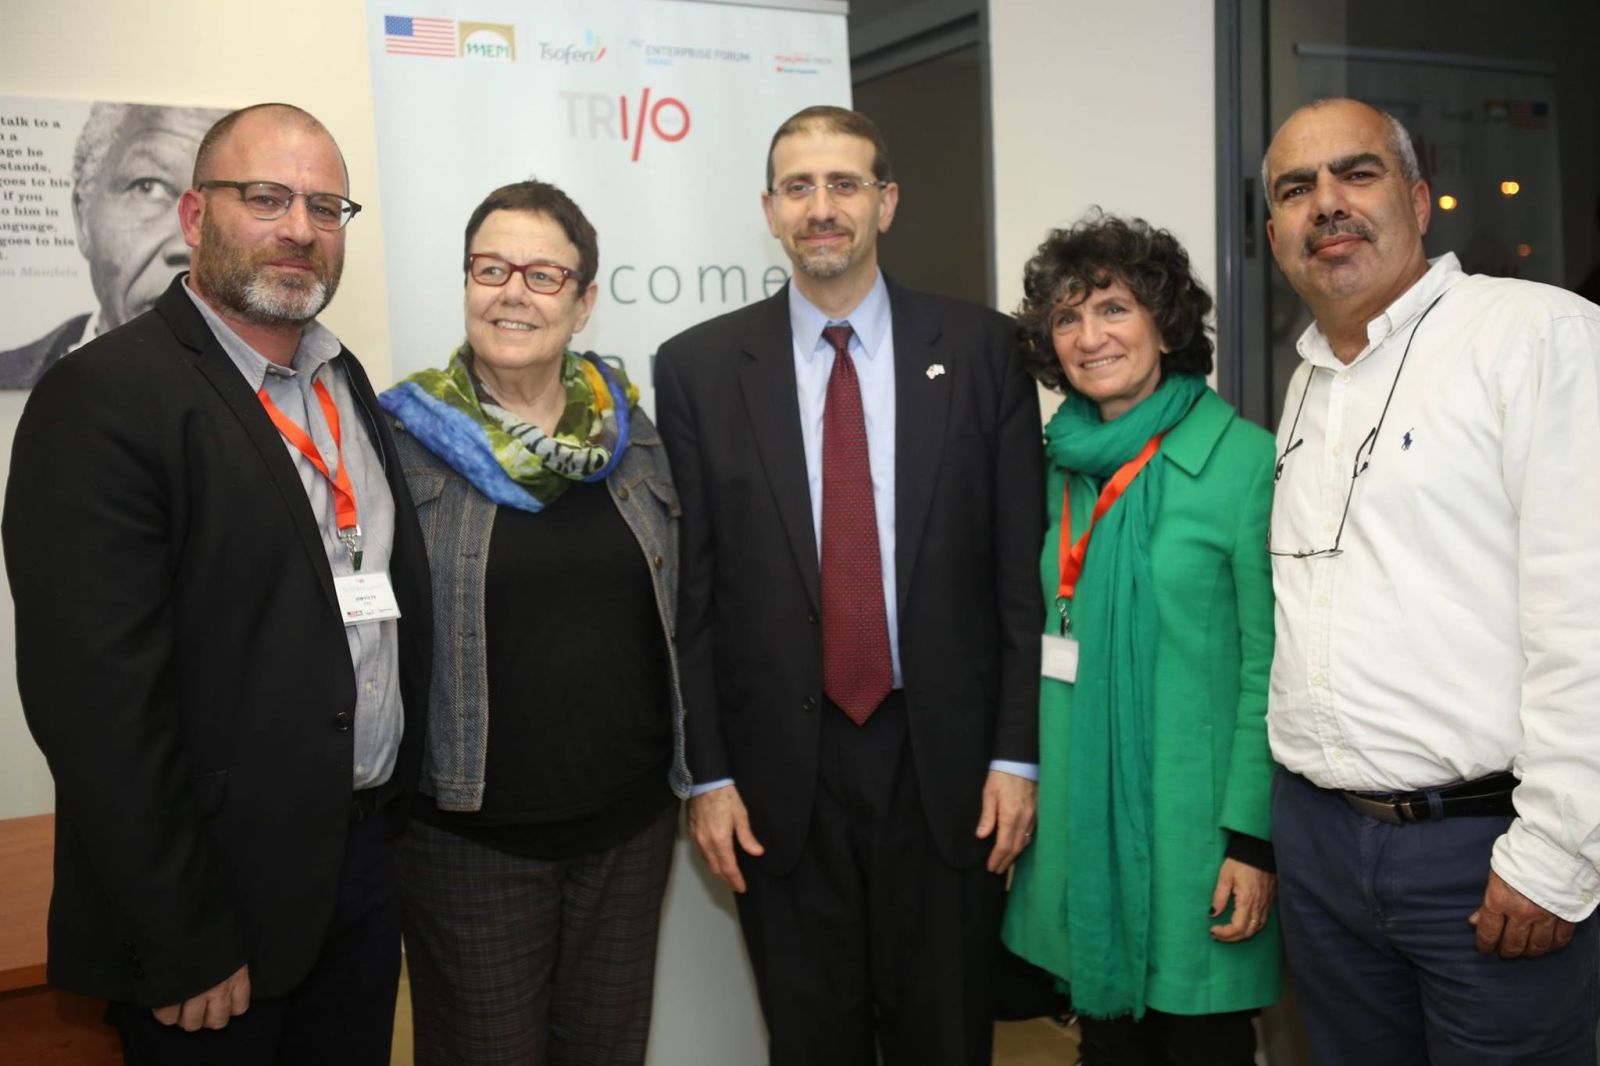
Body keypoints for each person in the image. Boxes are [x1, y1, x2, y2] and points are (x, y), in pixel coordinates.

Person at [1, 103, 433, 1064]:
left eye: (326, 207)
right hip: (215, 914)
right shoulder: (104, 398)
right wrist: (182, 934)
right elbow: (97, 707)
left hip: (356, 871)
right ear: (196, 217)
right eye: (267, 198)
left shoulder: (341, 377)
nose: (300, 229)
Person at [654, 105, 1043, 1066]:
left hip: (946, 762)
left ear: (886, 202)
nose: (821, 207)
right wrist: (707, 772)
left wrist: (1017, 756)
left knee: (945, 1035)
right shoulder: (699, 368)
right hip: (780, 770)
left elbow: (1016, 578)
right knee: (811, 1038)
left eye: (844, 184)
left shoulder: (984, 350)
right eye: (799, 187)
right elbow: (690, 595)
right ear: (770, 209)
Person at [1262, 96, 1600, 1062]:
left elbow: (1588, 610)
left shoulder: (1536, 336)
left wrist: (1557, 854)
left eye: (1354, 174)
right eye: (1296, 189)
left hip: (1481, 849)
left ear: (1417, 197)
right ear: (1276, 232)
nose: (1325, 203)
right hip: (1324, 846)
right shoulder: (1310, 380)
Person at [379, 180, 689, 1066]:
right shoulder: (402, 437)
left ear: (584, 302)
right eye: (491, 268)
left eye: (544, 274)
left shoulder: (636, 436)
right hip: (470, 839)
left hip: (628, 831)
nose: (512, 291)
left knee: (607, 1051)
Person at [1001, 213, 1281, 1064]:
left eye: (1114, 309)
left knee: (1202, 1047)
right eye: (1068, 317)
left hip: (1198, 842)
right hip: (1080, 831)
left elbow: (1272, 670)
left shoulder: (1244, 463)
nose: (1091, 337)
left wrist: (1251, 840)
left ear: (1165, 321)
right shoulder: (1048, 468)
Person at [0, 102, 226, 388]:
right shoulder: (15, 374)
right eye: (148, 187)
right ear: (83, 216)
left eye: (216, 202)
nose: (184, 245)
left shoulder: (282, 386)